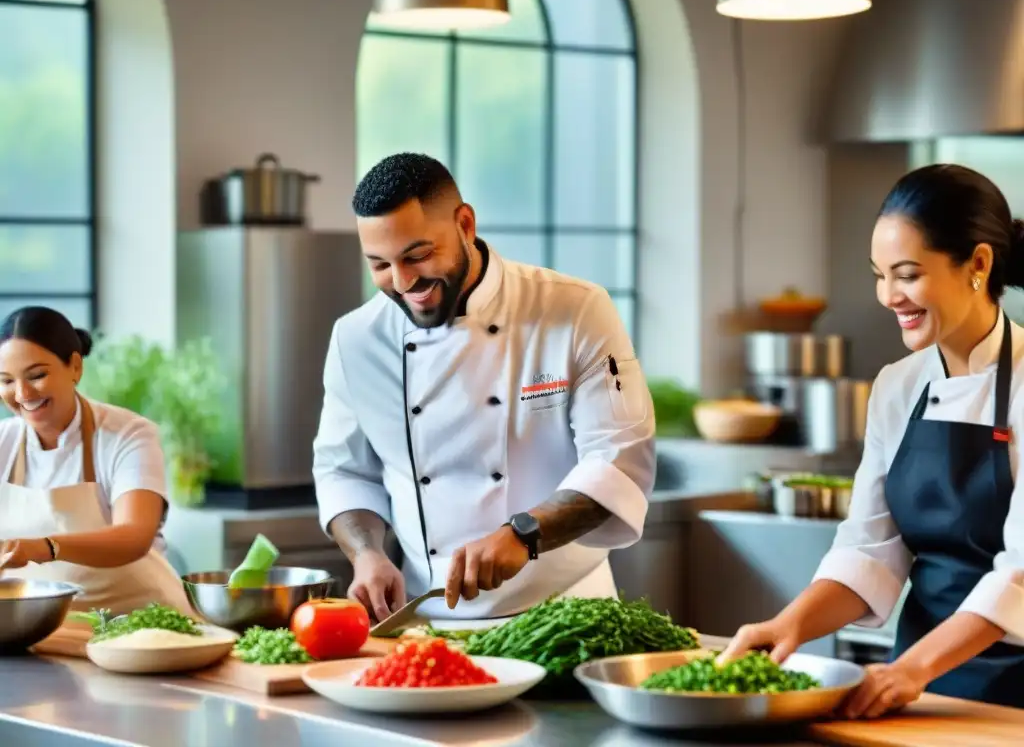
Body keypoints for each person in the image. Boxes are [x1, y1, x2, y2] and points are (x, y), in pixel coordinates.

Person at [719, 164, 1024, 715]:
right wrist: (788, 626)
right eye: (879, 275)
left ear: (978, 264)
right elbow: (870, 552)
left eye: (907, 274)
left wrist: (914, 668)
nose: (888, 296)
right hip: (918, 688)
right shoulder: (896, 386)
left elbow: (1021, 575)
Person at [312, 152, 656, 622]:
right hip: (427, 620)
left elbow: (619, 460)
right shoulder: (357, 339)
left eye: (417, 255)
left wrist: (522, 534)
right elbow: (344, 472)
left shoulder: (574, 310)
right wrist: (367, 554)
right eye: (380, 264)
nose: (403, 281)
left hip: (569, 618)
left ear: (465, 225)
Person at [0, 306, 193, 616]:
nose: (22, 393)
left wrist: (44, 547)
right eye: (6, 381)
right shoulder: (3, 443)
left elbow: (134, 535)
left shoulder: (128, 435)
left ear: (75, 367)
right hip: (49, 630)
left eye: (36, 375)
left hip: (142, 626)